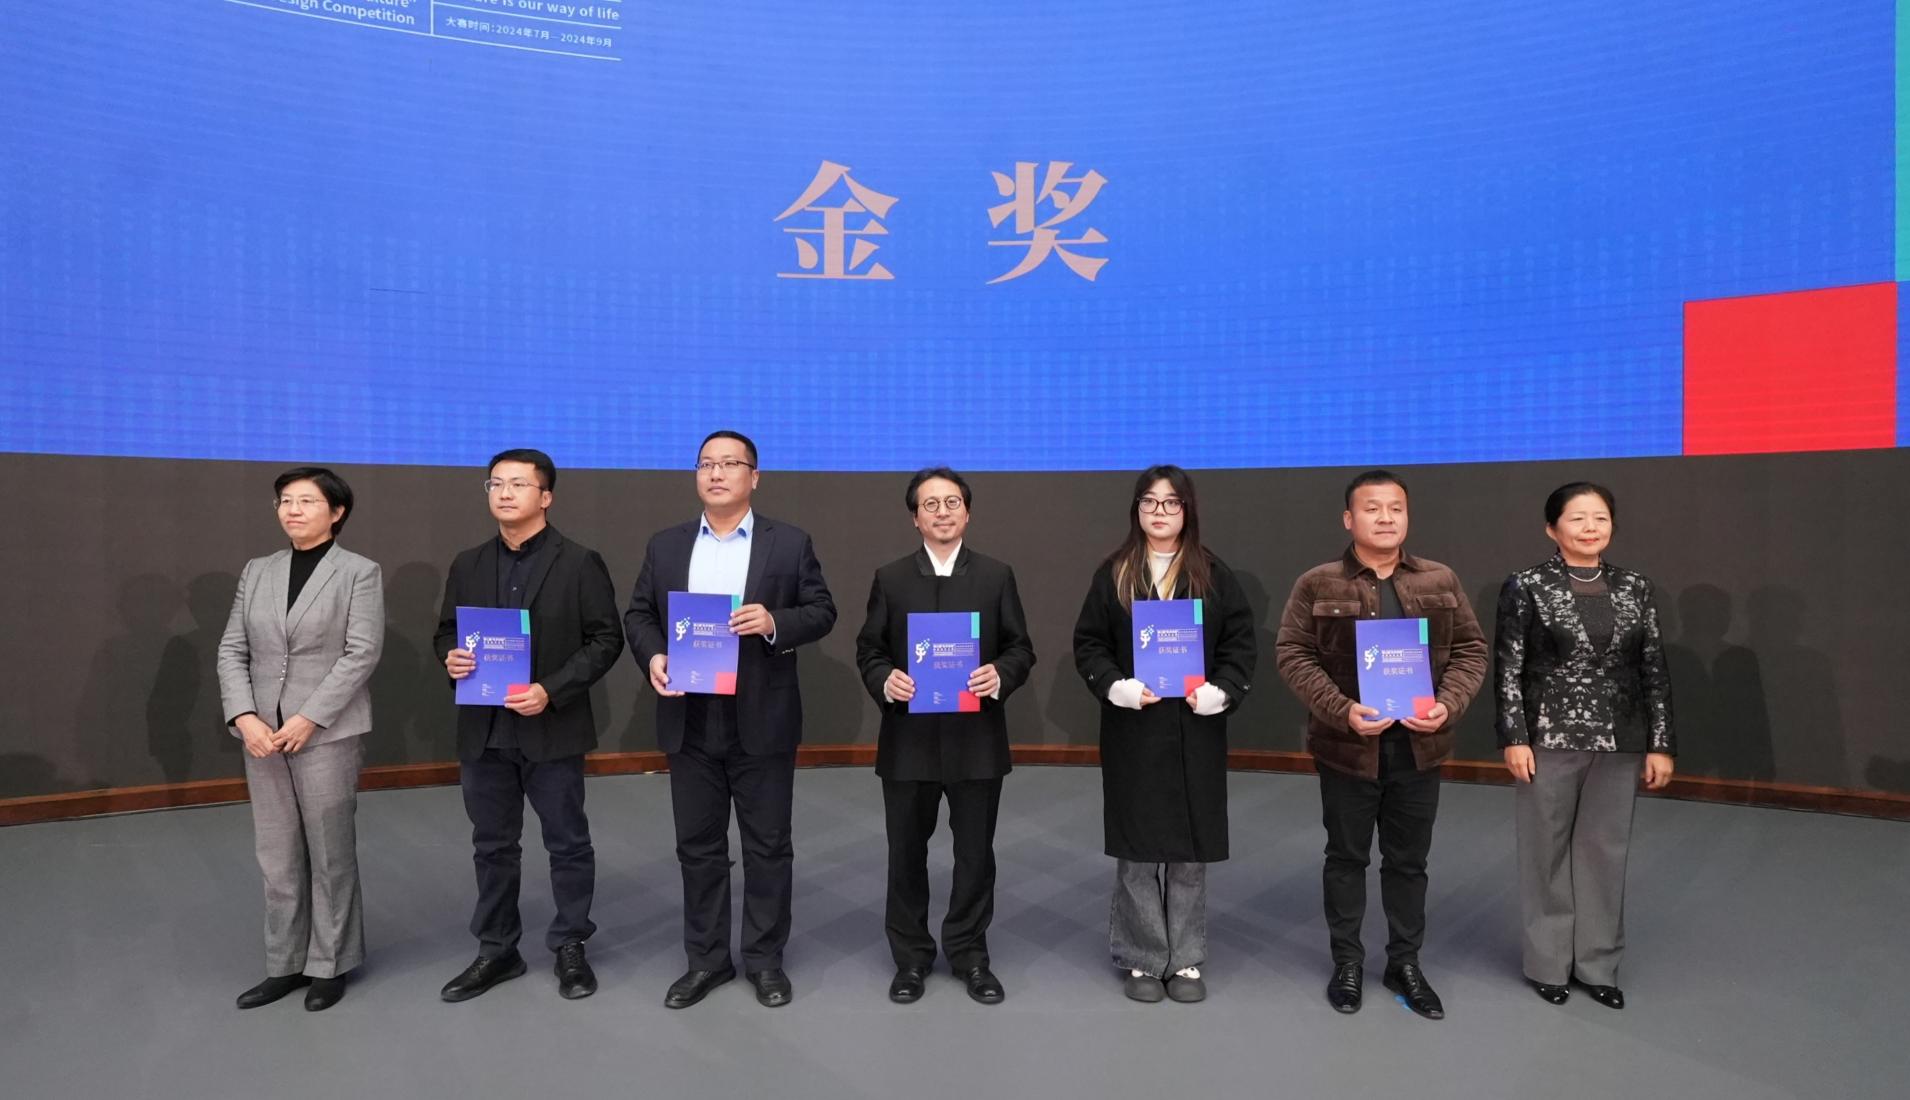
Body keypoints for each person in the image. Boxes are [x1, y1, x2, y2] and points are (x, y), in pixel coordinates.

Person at [624, 431, 837, 1009]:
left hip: (761, 716)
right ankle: (707, 960)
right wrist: (654, 655)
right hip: (689, 715)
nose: (716, 473)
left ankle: (765, 960)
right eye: (706, 464)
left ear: (754, 477)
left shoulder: (788, 543)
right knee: (698, 846)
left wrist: (773, 622)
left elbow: (823, 611)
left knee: (768, 846)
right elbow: (639, 614)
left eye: (729, 464)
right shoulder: (666, 545)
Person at [1274, 470, 1486, 1019]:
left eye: (1396, 508)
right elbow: (1292, 654)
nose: (1386, 517)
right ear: (1349, 519)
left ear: (1407, 516)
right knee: (1345, 858)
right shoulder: (1318, 583)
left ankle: (1404, 962)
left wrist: (1447, 704)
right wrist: (1342, 710)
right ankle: (1347, 961)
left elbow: (1471, 650)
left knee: (1409, 862)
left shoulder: (1440, 578)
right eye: (1372, 508)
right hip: (1347, 748)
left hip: (1419, 748)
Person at [433, 449, 624, 1002]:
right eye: (496, 483)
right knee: (492, 845)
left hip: (551, 727)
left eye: (518, 484)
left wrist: (551, 690)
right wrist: (451, 657)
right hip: (484, 729)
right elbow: (446, 632)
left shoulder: (579, 562)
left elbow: (605, 640)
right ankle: (497, 949)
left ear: (546, 496)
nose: (505, 492)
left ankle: (570, 944)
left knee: (567, 842)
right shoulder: (468, 563)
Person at [1072, 465, 1256, 1004]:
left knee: (1189, 849)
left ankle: (1186, 957)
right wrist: (1116, 686)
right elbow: (1089, 645)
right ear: (1136, 509)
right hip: (1134, 728)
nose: (1160, 512)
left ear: (1187, 510)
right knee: (1138, 848)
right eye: (1149, 502)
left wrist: (1222, 692)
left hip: (1195, 729)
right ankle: (1144, 957)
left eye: (1171, 503)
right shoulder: (1114, 574)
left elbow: (1240, 647)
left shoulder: (1214, 575)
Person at [854, 467, 1036, 1005]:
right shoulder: (890, 578)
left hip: (976, 740)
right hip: (908, 741)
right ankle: (911, 958)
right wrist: (885, 679)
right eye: (930, 504)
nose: (942, 512)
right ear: (915, 517)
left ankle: (969, 954)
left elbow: (1021, 648)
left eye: (952, 502)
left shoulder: (996, 575)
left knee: (975, 855)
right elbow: (869, 649)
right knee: (905, 855)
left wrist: (1000, 674)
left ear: (968, 512)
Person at [1496, 482, 1675, 1010]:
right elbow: (1508, 667)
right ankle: (1548, 963)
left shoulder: (1636, 587)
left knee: (1604, 852)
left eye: (1600, 517)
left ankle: (1598, 964)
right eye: (1577, 518)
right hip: (1548, 737)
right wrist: (1514, 737)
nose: (1590, 527)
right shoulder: (1526, 585)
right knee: (1545, 851)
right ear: (1552, 528)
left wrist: (1660, 743)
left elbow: (1653, 667)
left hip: (1621, 738)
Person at [218, 466, 384, 1012]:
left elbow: (361, 653)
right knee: (277, 855)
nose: (292, 509)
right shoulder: (258, 570)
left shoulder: (358, 572)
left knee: (330, 852)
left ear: (336, 512)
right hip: (262, 735)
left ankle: (330, 963)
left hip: (326, 732)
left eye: (306, 501)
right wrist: (244, 716)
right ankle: (284, 962)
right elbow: (232, 649)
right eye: (285, 500)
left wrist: (310, 717)